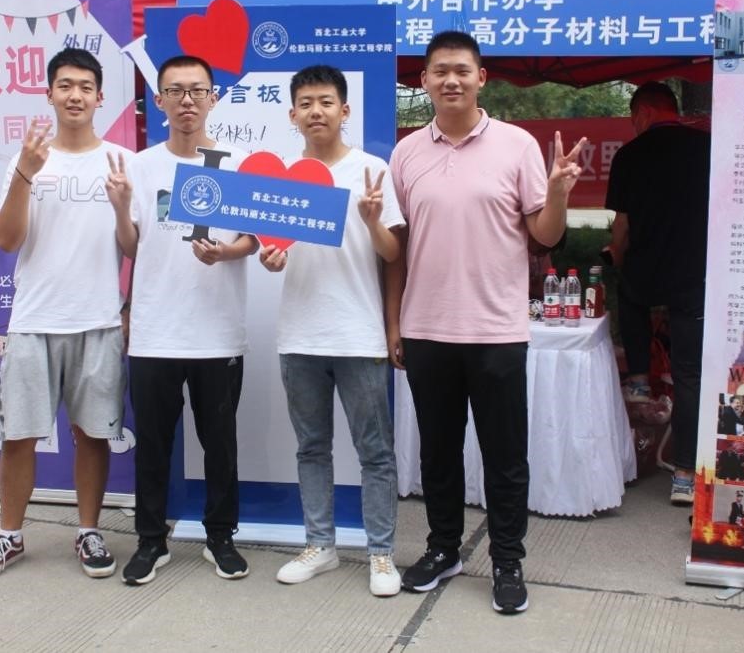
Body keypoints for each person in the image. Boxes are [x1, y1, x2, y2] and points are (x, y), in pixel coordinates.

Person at [385, 31, 584, 615]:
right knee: (438, 453)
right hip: (427, 329)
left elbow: (544, 235)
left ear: (481, 78)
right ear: (424, 81)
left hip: (497, 330)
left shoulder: (517, 145)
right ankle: (443, 548)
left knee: (505, 456)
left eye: (462, 70)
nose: (451, 80)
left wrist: (557, 193)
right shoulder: (406, 154)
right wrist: (394, 324)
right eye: (440, 71)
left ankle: (507, 561)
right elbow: (396, 249)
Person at [0, 48, 133, 582]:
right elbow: (7, 239)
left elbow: (134, 246)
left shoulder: (121, 161)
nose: (75, 95)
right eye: (65, 86)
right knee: (18, 435)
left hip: (98, 320)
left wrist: (122, 206)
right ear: (49, 94)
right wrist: (24, 174)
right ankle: (9, 535)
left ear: (100, 97)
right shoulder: (29, 158)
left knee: (93, 435)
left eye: (85, 87)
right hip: (34, 321)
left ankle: (89, 530)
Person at [257, 65, 404, 597]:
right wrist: (270, 259)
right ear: (291, 114)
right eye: (305, 103)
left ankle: (381, 553)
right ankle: (320, 545)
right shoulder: (280, 179)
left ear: (345, 110)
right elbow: (271, 249)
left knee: (375, 452)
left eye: (325, 101)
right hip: (300, 336)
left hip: (359, 334)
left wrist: (371, 220)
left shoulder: (372, 170)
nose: (315, 111)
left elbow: (394, 253)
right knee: (312, 448)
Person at [117, 55, 258, 586]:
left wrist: (226, 253)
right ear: (159, 101)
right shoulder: (140, 166)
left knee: (220, 443)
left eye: (197, 90)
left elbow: (253, 238)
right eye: (175, 91)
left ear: (214, 98)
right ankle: (151, 540)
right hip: (154, 331)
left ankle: (220, 536)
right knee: (153, 444)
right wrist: (118, 208)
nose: (187, 100)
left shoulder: (238, 164)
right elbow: (131, 245)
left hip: (217, 331)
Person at [605, 81, 710, 506]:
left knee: (629, 296)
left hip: (646, 273)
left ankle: (638, 381)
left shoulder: (630, 155)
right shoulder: (708, 148)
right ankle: (685, 474)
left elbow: (622, 227)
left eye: (633, 119)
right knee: (689, 376)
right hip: (695, 275)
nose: (633, 126)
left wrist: (616, 255)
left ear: (645, 113)